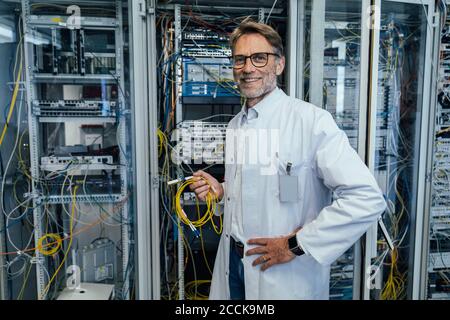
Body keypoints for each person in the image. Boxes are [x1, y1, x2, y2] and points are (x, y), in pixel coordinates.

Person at [189, 20, 386, 300]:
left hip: (284, 276)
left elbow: (367, 197)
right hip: (234, 265)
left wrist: (296, 244)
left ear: (279, 64)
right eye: (240, 59)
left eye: (259, 58)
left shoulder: (311, 122)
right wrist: (222, 192)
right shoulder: (236, 125)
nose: (248, 68)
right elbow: (256, 192)